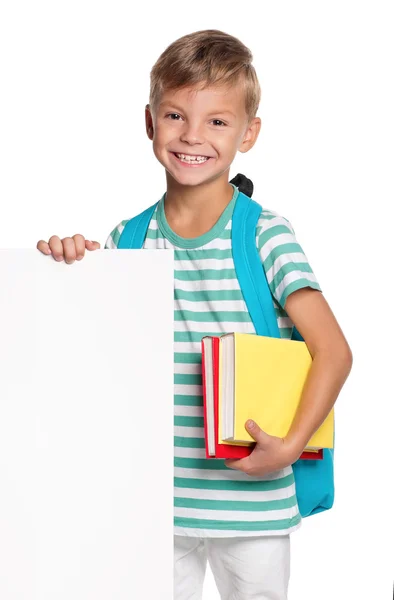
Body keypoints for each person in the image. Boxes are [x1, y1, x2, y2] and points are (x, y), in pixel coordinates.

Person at [37, 29, 353, 600]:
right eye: (176, 115)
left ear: (248, 133)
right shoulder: (125, 241)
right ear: (150, 122)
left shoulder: (264, 235)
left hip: (252, 499)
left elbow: (333, 351)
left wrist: (290, 444)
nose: (192, 136)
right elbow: (95, 359)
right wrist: (68, 269)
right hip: (151, 504)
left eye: (217, 121)